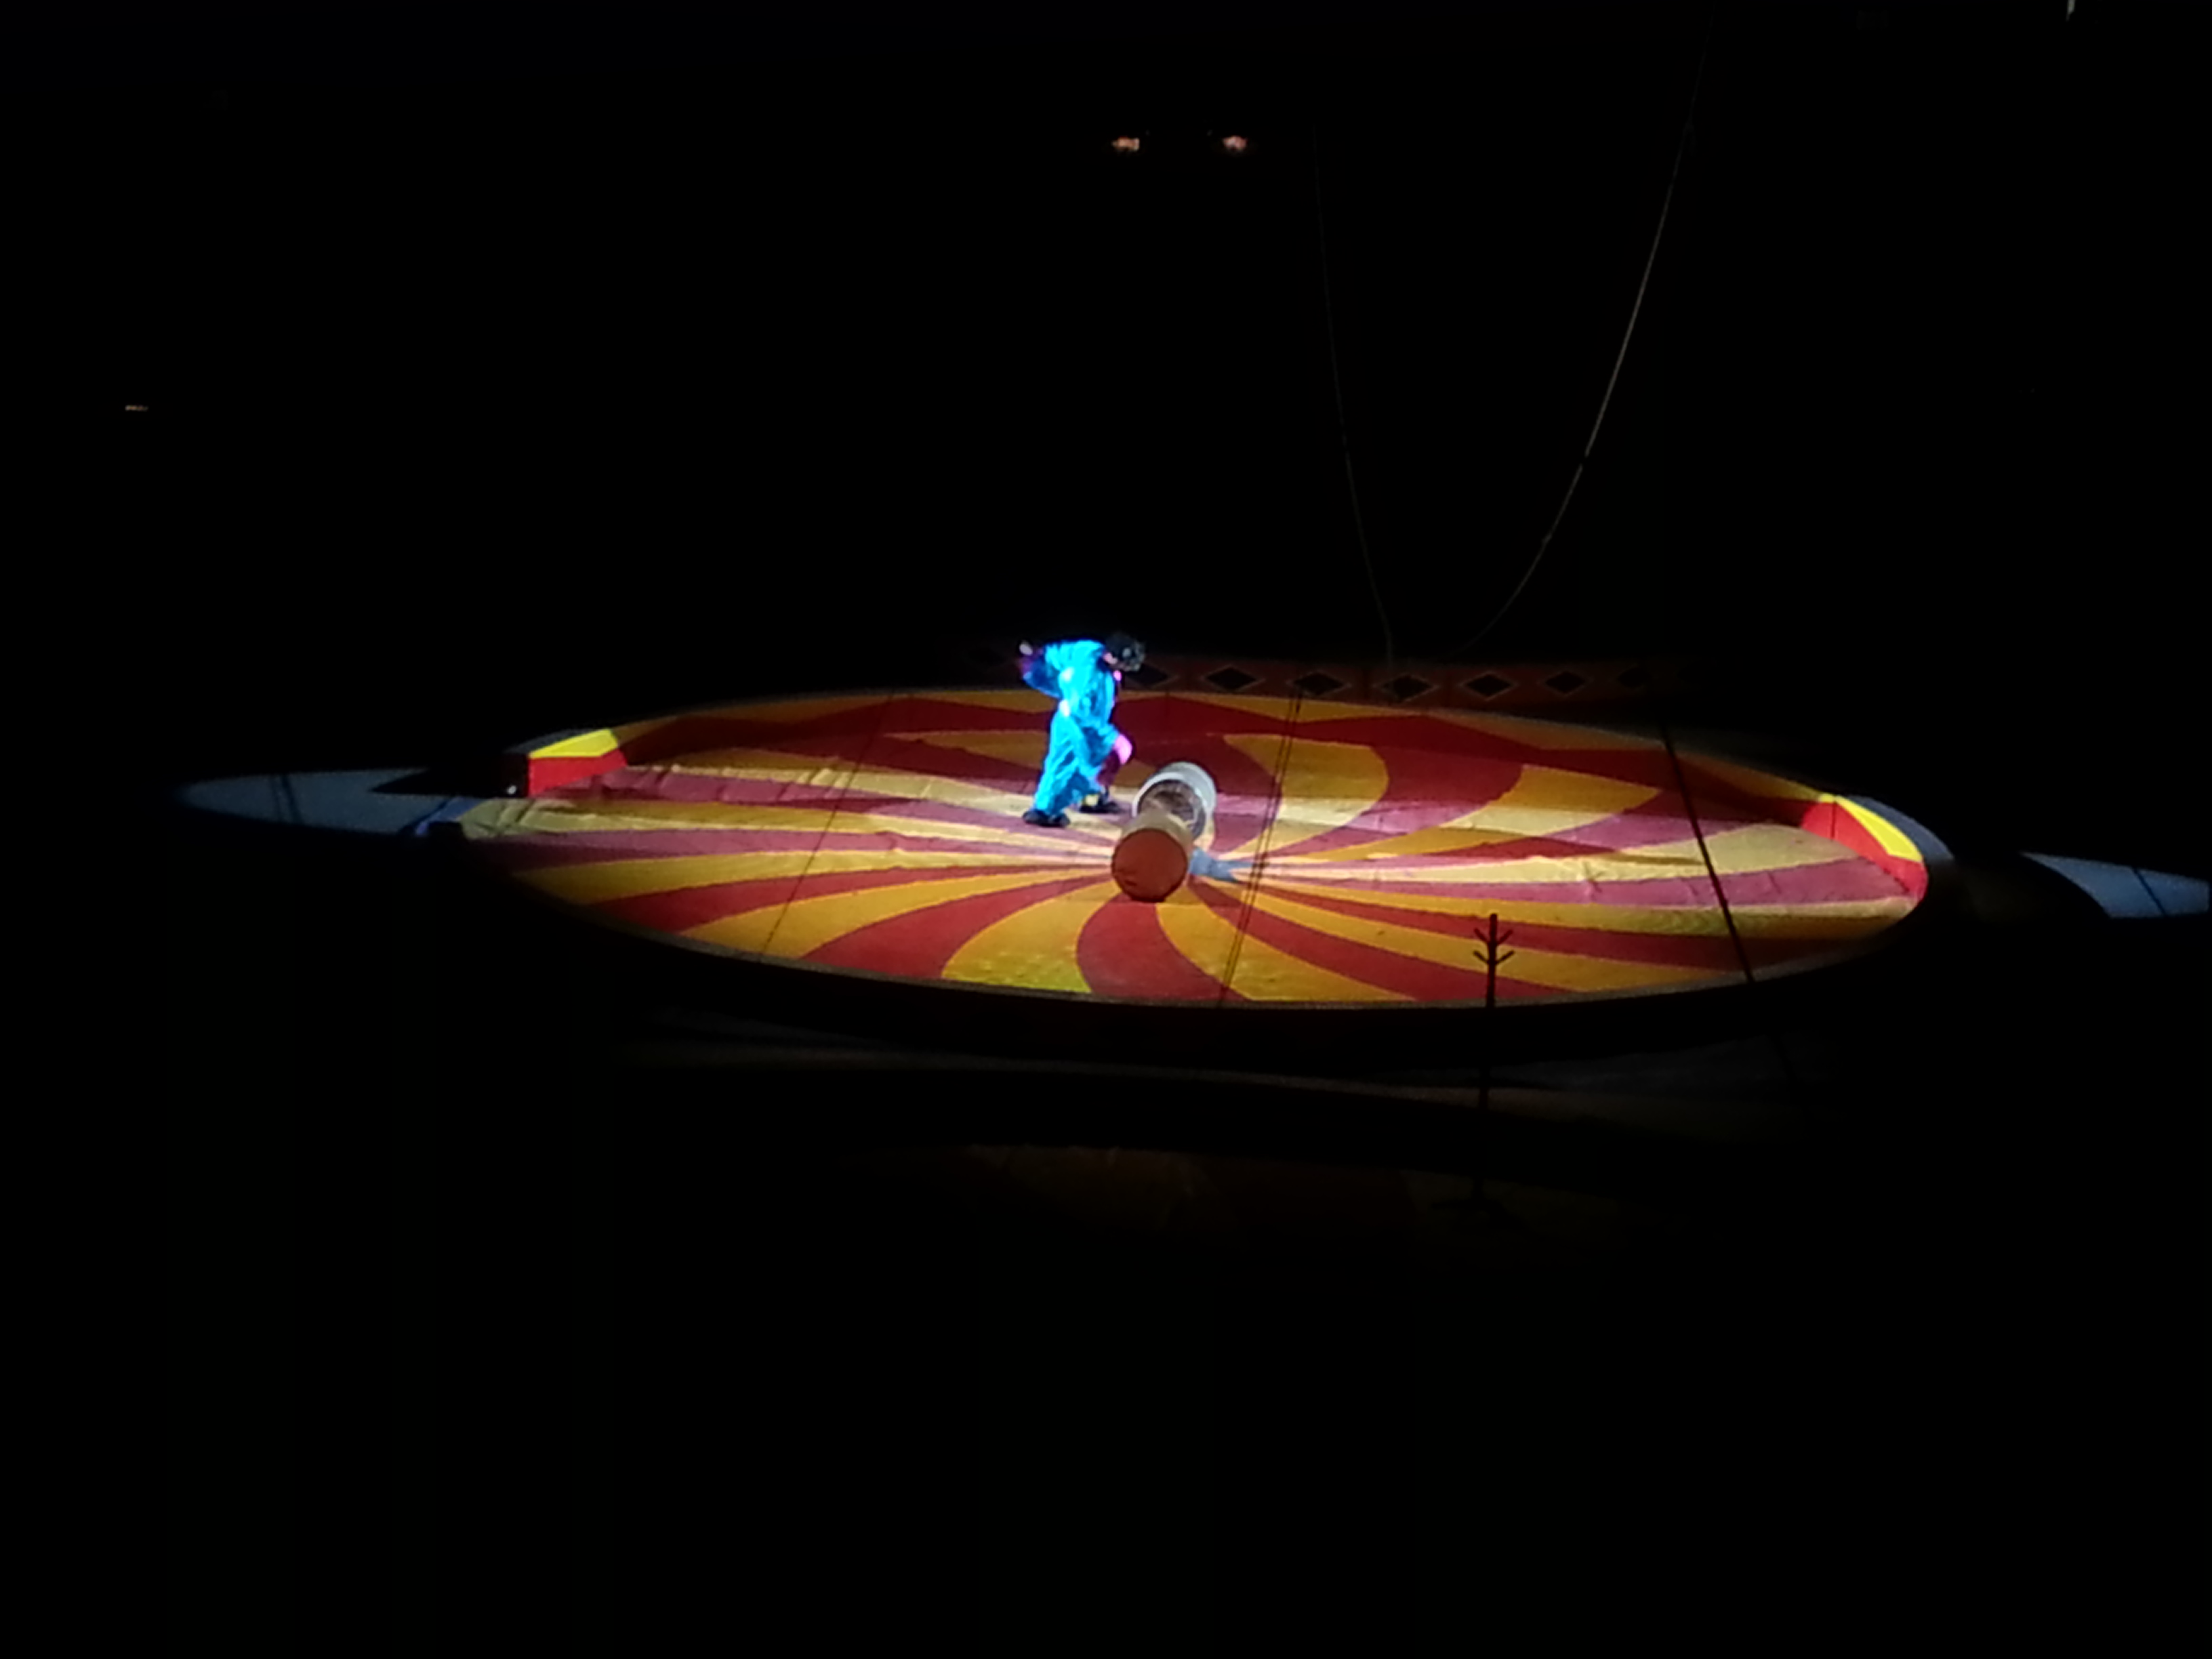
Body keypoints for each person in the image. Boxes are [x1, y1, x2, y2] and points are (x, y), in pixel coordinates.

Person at [1017, 633, 1144, 827]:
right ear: (1111, 656)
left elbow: (1055, 654)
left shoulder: (1090, 650)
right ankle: (1044, 810)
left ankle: (1090, 796)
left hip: (1085, 712)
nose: (1127, 668)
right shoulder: (1088, 676)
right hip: (1074, 721)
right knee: (1067, 762)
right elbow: (1080, 713)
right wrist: (1111, 737)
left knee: (1094, 758)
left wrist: (1040, 655)